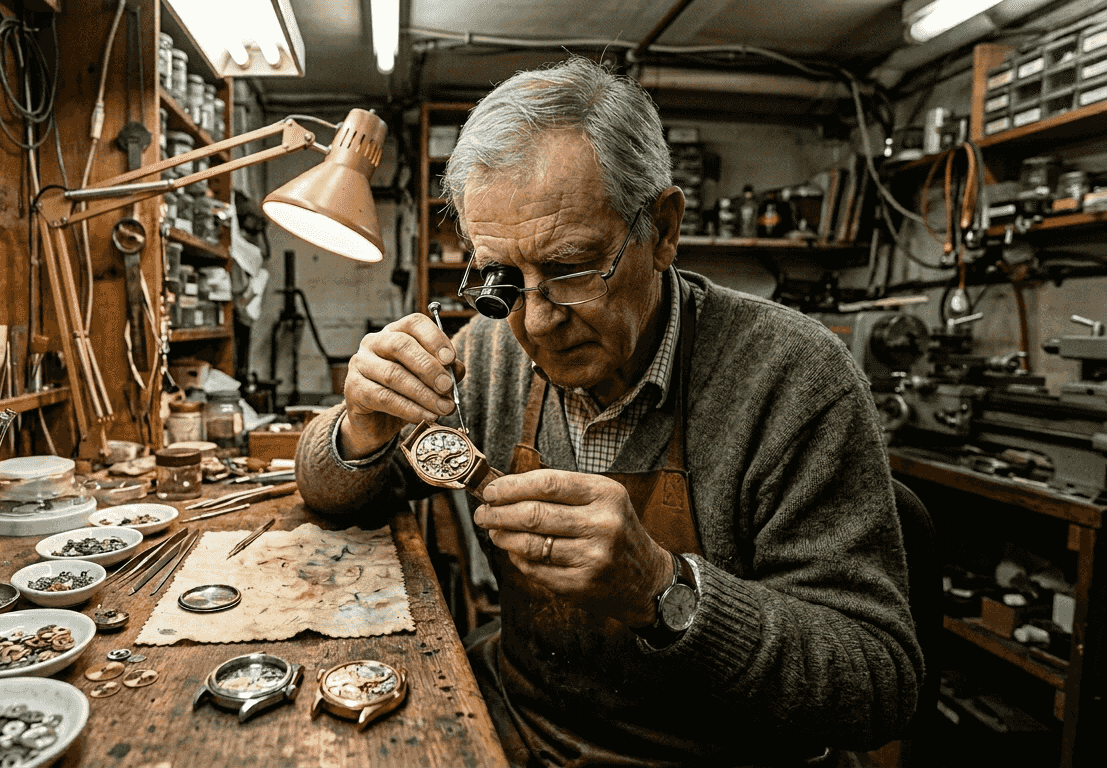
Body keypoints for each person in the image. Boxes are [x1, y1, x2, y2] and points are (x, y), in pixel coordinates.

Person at [295, 56, 921, 767]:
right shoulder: (490, 352)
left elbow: (879, 681)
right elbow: (330, 494)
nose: (536, 321)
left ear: (663, 229)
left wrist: (663, 590)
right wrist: (362, 426)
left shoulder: (794, 378)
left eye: (569, 269)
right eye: (502, 277)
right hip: (528, 724)